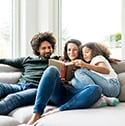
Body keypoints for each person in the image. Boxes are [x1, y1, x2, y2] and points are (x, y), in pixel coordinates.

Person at [23, 39, 102, 126]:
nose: (71, 52)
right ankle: (36, 114)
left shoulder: (87, 62)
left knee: (96, 89)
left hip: (77, 95)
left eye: (75, 50)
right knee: (51, 69)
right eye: (69, 50)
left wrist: (105, 59)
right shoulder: (63, 60)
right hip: (60, 93)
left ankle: (61, 109)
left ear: (80, 51)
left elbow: (101, 64)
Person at [0, 32, 58, 115]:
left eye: (49, 47)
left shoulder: (56, 61)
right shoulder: (27, 60)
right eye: (44, 48)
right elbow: (5, 60)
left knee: (12, 98)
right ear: (37, 49)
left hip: (35, 89)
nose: (48, 50)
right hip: (20, 86)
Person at [71, 42, 120, 107]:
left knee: (79, 71)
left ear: (94, 51)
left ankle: (98, 96)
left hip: (112, 85)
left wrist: (85, 65)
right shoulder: (92, 63)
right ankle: (103, 98)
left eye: (87, 52)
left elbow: (106, 70)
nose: (84, 55)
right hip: (106, 90)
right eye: (83, 54)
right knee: (74, 81)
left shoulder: (98, 58)